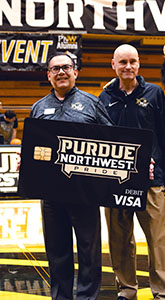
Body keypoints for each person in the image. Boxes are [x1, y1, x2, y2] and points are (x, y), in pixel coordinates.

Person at [29, 52, 113, 300]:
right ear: (48, 75)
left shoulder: (92, 103)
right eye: (55, 69)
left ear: (75, 72)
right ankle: (61, 297)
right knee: (57, 251)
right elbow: (33, 147)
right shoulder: (38, 107)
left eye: (66, 67)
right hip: (51, 194)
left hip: (84, 192)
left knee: (89, 249)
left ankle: (87, 297)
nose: (61, 72)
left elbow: (112, 141)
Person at [99, 44, 165, 300]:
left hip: (151, 182)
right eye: (123, 62)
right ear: (114, 65)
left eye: (133, 61)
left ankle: (163, 291)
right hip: (115, 182)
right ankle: (127, 289)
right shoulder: (105, 97)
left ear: (139, 64)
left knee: (157, 240)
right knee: (120, 241)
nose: (128, 66)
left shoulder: (154, 93)